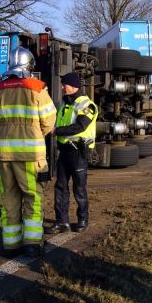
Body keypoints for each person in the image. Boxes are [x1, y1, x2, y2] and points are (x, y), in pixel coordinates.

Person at [0, 47, 56, 258]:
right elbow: (49, 121)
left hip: (3, 155)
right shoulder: (36, 88)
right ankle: (32, 244)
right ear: (30, 67)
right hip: (30, 155)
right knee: (32, 198)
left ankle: (11, 245)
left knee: (9, 199)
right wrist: (35, 134)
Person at [45, 72, 98, 235]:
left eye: (64, 84)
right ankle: (62, 222)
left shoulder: (87, 105)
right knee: (60, 187)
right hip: (65, 152)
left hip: (78, 153)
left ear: (74, 86)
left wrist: (57, 131)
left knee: (79, 188)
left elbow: (80, 127)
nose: (62, 87)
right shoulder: (64, 103)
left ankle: (83, 220)